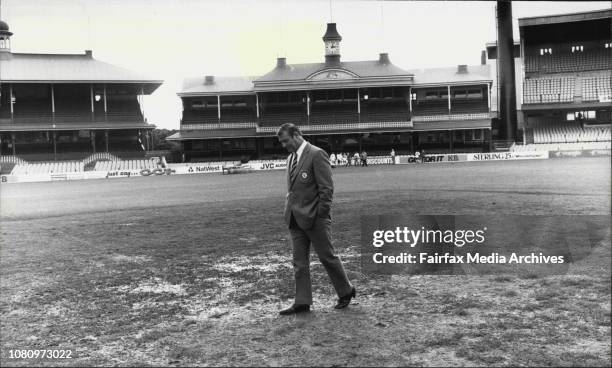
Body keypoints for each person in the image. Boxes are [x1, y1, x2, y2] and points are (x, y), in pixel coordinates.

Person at [276, 123, 355, 315]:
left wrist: (320, 214)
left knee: (327, 257)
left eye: (286, 140)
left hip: (315, 218)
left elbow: (326, 189)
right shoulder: (290, 158)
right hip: (294, 219)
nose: (284, 145)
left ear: (296, 135)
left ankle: (346, 291)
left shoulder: (317, 154)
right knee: (299, 262)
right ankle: (302, 301)